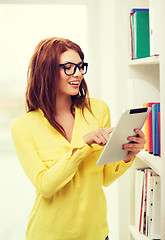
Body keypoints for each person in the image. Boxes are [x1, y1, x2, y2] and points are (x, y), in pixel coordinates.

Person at [11, 37, 146, 240]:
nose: (79, 74)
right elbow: (45, 186)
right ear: (46, 71)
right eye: (69, 67)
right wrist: (84, 145)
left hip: (97, 235)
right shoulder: (23, 126)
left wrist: (129, 153)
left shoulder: (98, 110)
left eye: (81, 66)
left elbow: (106, 177)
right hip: (47, 235)